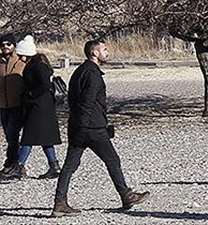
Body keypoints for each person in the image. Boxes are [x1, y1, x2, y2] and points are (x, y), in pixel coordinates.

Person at [52, 40, 149, 217]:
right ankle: (126, 195)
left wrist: (78, 127)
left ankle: (60, 203)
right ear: (94, 53)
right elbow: (87, 103)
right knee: (112, 160)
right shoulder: (93, 74)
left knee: (69, 166)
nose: (107, 52)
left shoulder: (80, 71)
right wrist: (85, 127)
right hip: (91, 128)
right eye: (104, 50)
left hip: (78, 126)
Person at [15, 36, 62, 180]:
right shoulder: (36, 64)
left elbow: (45, 85)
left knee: (28, 137)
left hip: (39, 106)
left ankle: (19, 165)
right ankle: (54, 165)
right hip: (42, 106)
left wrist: (30, 93)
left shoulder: (38, 66)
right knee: (45, 137)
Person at [0, 32, 25, 179]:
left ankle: (10, 164)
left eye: (8, 44)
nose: (5, 47)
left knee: (13, 135)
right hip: (3, 105)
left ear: (14, 46)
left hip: (18, 104)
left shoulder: (22, 61)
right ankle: (19, 165)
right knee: (9, 136)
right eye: (2, 44)